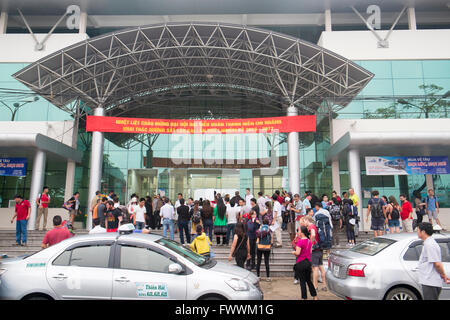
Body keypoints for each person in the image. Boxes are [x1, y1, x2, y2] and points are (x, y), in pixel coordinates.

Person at [417, 222, 450, 300]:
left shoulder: (430, 244)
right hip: (428, 281)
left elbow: (437, 264)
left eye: (418, 230)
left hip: (430, 281)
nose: (417, 232)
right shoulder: (428, 243)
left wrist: (444, 275)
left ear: (423, 232)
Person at [292, 226, 318, 300]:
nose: (298, 232)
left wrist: (293, 252)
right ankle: (314, 296)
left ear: (302, 233)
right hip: (308, 262)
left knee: (302, 282)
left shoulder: (300, 241)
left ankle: (304, 297)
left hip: (301, 263)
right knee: (309, 281)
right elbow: (310, 252)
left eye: (299, 231)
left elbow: (298, 252)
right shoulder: (309, 241)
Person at [304, 215, 328, 292]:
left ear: (307, 220)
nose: (304, 223)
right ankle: (324, 285)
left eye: (304, 221)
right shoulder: (315, 226)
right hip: (319, 248)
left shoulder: (311, 227)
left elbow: (313, 234)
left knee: (315, 268)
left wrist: (310, 245)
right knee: (321, 267)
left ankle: (315, 287)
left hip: (314, 250)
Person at [256, 217, 273, 281]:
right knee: (266, 261)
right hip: (267, 247)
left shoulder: (260, 228)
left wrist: (257, 243)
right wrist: (271, 243)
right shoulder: (269, 229)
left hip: (260, 246)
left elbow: (257, 236)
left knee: (258, 261)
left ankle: (258, 276)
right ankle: (268, 277)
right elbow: (271, 237)